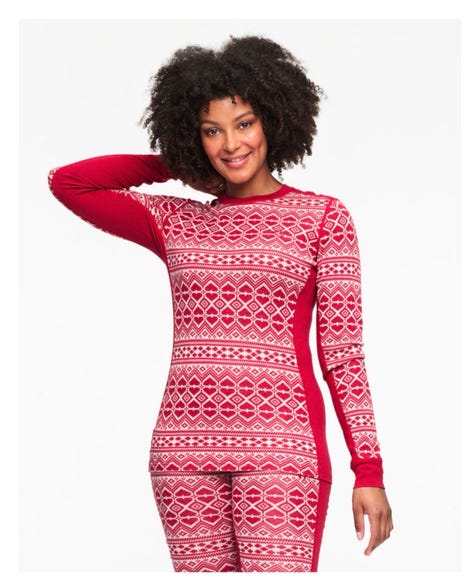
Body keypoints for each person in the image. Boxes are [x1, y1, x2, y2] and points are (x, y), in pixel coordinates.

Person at [48, 34, 393, 573]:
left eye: (244, 123)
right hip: (182, 453)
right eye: (212, 130)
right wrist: (176, 164)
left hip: (281, 449)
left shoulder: (323, 218)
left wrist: (367, 469)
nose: (231, 143)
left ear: (273, 120)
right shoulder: (176, 220)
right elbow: (70, 182)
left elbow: (343, 355)